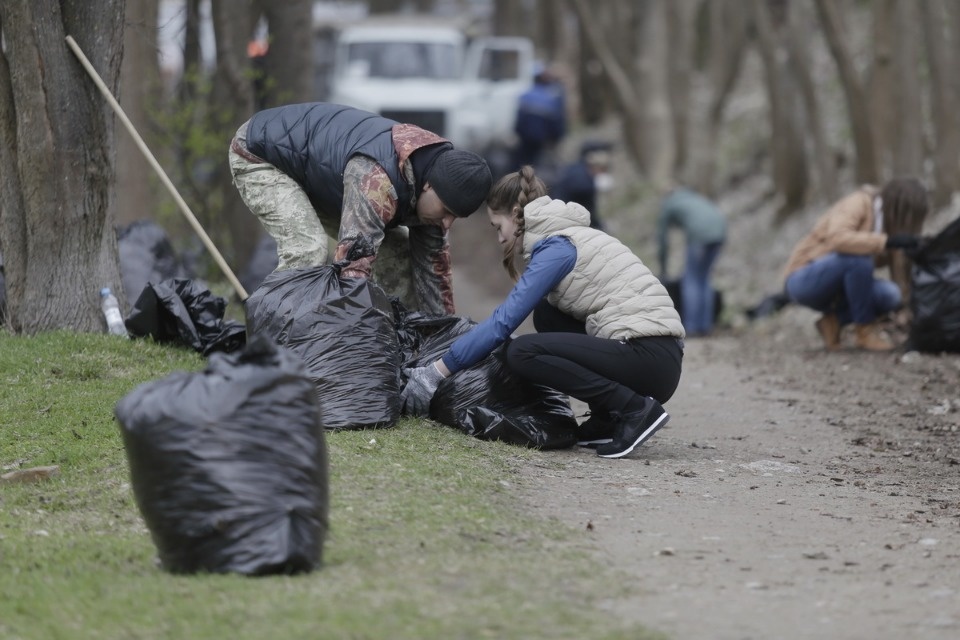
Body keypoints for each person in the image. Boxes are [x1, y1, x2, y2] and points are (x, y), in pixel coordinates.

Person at [400, 166, 685, 459]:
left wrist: (436, 372)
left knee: (523, 353)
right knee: (548, 314)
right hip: (656, 357)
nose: (499, 238)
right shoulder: (571, 236)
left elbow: (503, 323)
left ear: (515, 214)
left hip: (648, 358)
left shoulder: (558, 248)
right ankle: (608, 417)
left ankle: (634, 409)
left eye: (498, 226)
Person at [228, 102, 493, 315]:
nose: (447, 223)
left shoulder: (439, 176)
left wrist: (444, 338)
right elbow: (352, 269)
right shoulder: (377, 181)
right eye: (446, 211)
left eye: (455, 218)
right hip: (260, 155)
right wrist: (354, 350)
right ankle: (273, 342)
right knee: (308, 250)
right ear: (428, 186)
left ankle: (403, 342)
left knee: (400, 252)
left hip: (323, 176)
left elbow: (435, 274)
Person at [782, 177, 928, 351]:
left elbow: (897, 277)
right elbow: (837, 238)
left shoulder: (887, 227)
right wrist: (887, 241)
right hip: (803, 279)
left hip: (839, 291)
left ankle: (833, 322)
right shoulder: (858, 202)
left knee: (891, 295)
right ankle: (864, 331)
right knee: (858, 258)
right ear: (897, 208)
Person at [656, 187, 728, 336]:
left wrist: (663, 269)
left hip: (700, 237)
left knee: (691, 280)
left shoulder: (669, 204)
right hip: (720, 232)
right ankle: (705, 326)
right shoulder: (693, 197)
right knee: (704, 279)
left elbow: (663, 240)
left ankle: (692, 327)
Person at [511, 63, 566, 172]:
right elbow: (556, 121)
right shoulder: (551, 98)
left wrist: (517, 132)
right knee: (536, 164)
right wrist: (557, 137)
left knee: (520, 163)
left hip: (525, 138)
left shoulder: (525, 95)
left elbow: (519, 120)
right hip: (541, 139)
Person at [550, 141, 613, 231]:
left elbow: (589, 208)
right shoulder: (579, 174)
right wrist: (594, 184)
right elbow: (580, 187)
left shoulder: (576, 169)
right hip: (561, 220)